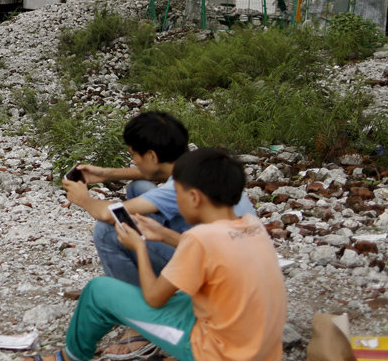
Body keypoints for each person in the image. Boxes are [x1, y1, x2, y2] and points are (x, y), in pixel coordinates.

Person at [22, 148, 287, 361]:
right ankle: (180, 358)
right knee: (187, 293)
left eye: (178, 194)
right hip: (263, 353)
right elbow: (212, 252)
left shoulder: (200, 239)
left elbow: (154, 298)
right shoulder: (250, 224)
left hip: (225, 360)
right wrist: (162, 234)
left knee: (98, 292)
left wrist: (139, 248)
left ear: (194, 198)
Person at [63, 111, 257, 287]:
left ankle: (139, 309)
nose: (134, 161)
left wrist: (83, 199)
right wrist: (108, 174)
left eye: (134, 155)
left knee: (108, 229)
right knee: (140, 187)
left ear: (151, 156)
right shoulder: (201, 164)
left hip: (216, 267)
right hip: (243, 253)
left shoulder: (179, 188)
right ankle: (155, 274)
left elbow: (108, 213)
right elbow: (156, 173)